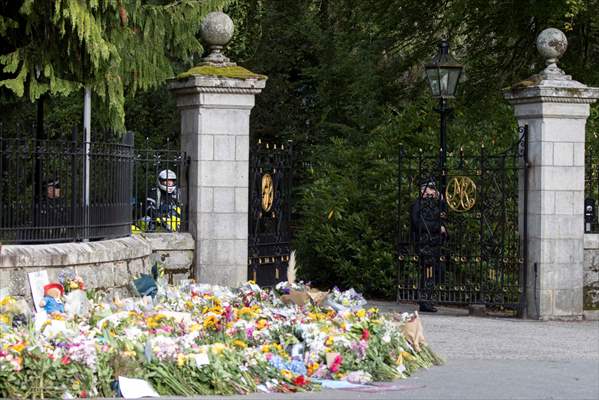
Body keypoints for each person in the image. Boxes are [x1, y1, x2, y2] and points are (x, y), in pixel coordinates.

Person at [410, 179, 448, 312]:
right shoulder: (418, 205)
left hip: (435, 243)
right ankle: (424, 302)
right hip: (424, 243)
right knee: (428, 272)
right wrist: (438, 228)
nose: (432, 191)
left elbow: (444, 215)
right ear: (423, 190)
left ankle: (426, 299)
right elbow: (417, 224)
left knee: (437, 272)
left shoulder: (433, 205)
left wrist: (442, 201)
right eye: (430, 189)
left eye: (434, 189)